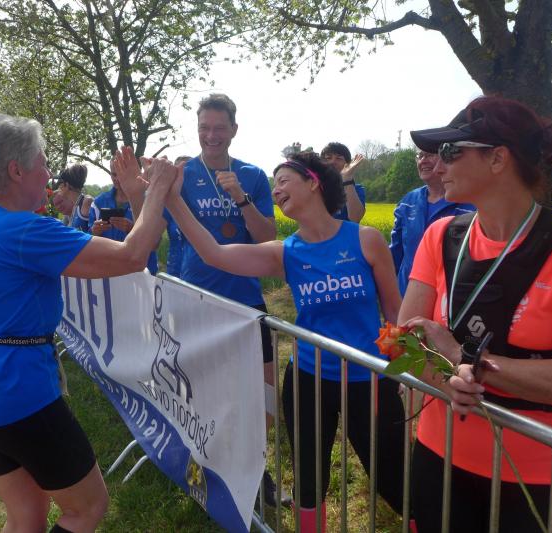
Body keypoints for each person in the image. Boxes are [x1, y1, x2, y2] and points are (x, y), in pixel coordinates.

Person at [0, 113, 178, 533]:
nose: (50, 174)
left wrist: (134, 194)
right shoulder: (24, 230)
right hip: (19, 394)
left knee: (25, 516)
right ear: (16, 170)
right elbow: (132, 256)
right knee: (86, 508)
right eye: (43, 162)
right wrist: (156, 187)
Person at [399, 96, 552, 533]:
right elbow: (403, 339)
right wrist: (445, 381)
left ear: (498, 158)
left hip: (541, 473)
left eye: (450, 151)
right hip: (439, 452)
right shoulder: (439, 236)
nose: (438, 165)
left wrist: (466, 360)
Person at [168, 152, 405, 531]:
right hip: (308, 381)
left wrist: (409, 373)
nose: (276, 191)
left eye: (283, 181)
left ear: (313, 182)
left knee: (393, 478)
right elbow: (213, 254)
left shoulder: (365, 240)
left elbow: (395, 312)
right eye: (274, 185)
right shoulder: (285, 252)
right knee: (309, 482)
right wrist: (171, 198)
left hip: (369, 380)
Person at [173, 93, 280, 504]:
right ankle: (206, 463)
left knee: (264, 390)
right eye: (204, 127)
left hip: (246, 298)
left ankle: (254, 464)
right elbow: (150, 220)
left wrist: (240, 197)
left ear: (234, 129)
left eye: (219, 127)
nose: (211, 135)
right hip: (197, 298)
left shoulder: (252, 175)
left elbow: (267, 236)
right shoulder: (182, 175)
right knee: (204, 387)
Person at [389, 148, 474, 295]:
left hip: (450, 296)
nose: (423, 160)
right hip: (407, 295)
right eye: (420, 155)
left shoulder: (469, 203)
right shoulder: (408, 201)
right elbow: (395, 252)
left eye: (429, 155)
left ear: (446, 158)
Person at [88, 160, 159, 274]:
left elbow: (155, 243)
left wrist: (132, 228)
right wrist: (94, 231)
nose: (117, 179)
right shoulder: (98, 202)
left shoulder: (148, 199)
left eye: (120, 174)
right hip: (109, 268)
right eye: (113, 174)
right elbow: (88, 239)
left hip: (142, 270)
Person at [320, 142, 366, 222]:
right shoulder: (314, 188)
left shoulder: (356, 189)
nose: (332, 162)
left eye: (338, 158)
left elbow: (355, 218)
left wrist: (347, 179)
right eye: (328, 158)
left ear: (347, 164)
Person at [165, 155, 192, 277]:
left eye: (187, 171)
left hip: (198, 273)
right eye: (178, 172)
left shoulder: (203, 203)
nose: (182, 176)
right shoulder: (168, 202)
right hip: (175, 272)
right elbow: (152, 242)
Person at [55, 163, 94, 232]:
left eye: (60, 183)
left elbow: (97, 232)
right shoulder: (76, 205)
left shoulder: (86, 202)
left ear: (67, 185)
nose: (59, 187)